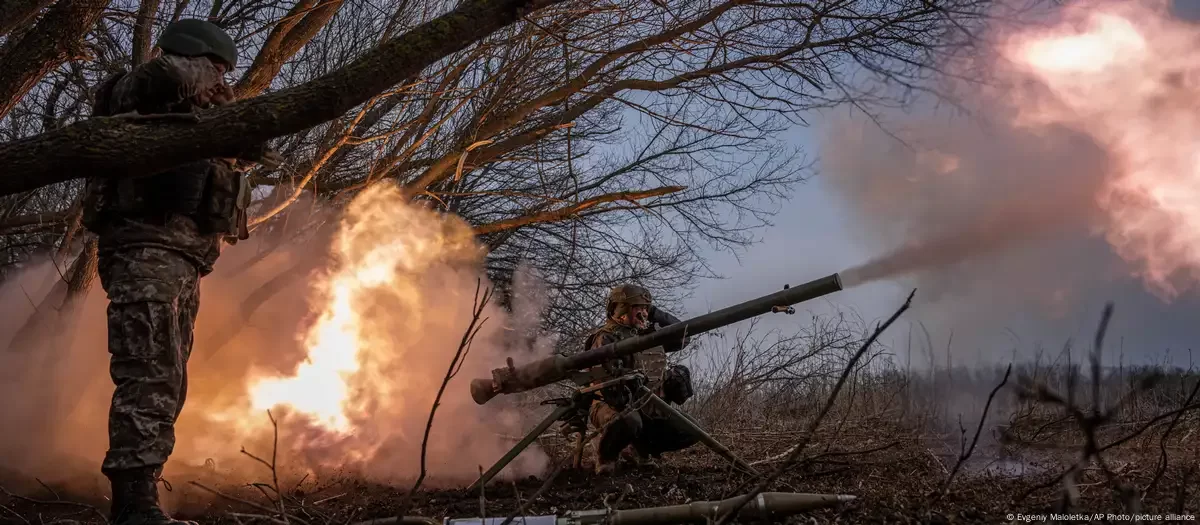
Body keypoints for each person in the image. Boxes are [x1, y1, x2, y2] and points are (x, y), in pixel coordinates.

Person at [81, 18, 277, 525]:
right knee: (147, 373)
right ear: (191, 57)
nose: (219, 79)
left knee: (167, 377)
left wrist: (227, 109)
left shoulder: (202, 116)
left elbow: (256, 147)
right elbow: (161, 79)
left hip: (181, 258)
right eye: (213, 68)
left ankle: (142, 497)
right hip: (145, 250)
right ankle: (132, 507)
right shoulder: (134, 91)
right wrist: (196, 75)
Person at [584, 283, 698, 474]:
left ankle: (639, 451)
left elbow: (683, 337)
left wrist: (654, 312)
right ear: (621, 309)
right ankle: (606, 458)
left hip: (649, 406)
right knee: (629, 420)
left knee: (690, 429)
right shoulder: (606, 338)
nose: (643, 313)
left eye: (646, 309)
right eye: (638, 308)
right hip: (611, 407)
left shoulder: (649, 335)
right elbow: (609, 389)